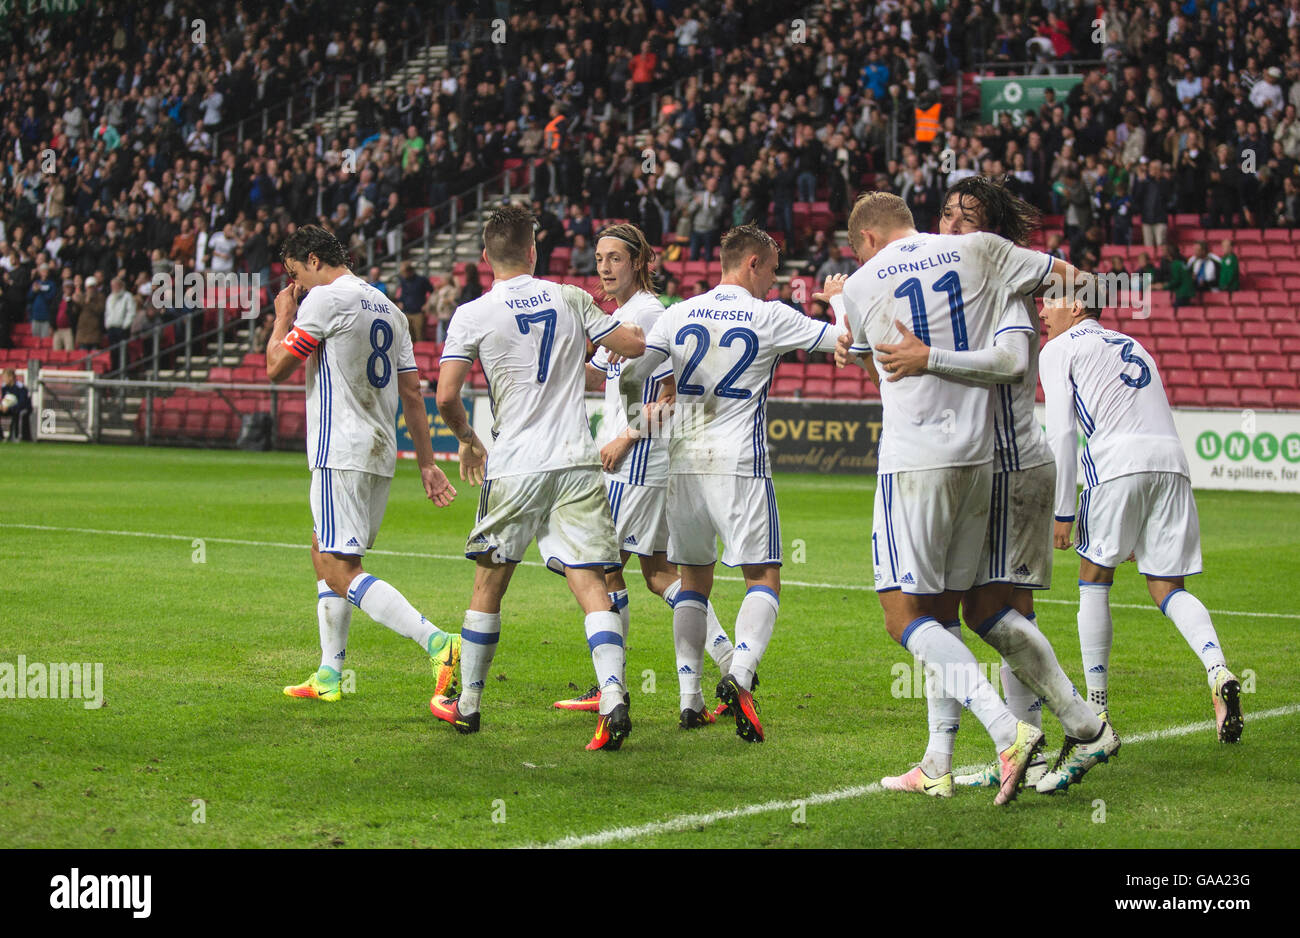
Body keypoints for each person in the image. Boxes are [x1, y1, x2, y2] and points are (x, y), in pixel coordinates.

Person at [851, 178, 1119, 797]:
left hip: (1011, 463)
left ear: (993, 229)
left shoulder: (1001, 283)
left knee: (993, 613)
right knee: (958, 612)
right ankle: (948, 757)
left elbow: (1012, 364)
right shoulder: (962, 278)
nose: (953, 226)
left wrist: (926, 358)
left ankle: (1045, 734)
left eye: (967, 218)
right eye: (946, 214)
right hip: (984, 465)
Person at [431, 205, 647, 750]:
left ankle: (470, 706)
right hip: (576, 461)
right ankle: (615, 695)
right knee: (590, 578)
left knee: (490, 581)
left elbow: (447, 395)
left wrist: (467, 439)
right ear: (534, 250)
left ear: (486, 258)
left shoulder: (473, 313)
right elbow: (633, 345)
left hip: (516, 463)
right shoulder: (571, 297)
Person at [638, 224, 843, 743]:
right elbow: (844, 342)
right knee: (763, 575)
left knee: (692, 582)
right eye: (772, 269)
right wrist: (840, 303)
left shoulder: (678, 312)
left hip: (683, 461)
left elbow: (633, 368)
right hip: (738, 464)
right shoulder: (768, 315)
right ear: (751, 262)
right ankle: (741, 672)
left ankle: (689, 699)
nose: (774, 281)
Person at [265, 225, 462, 708]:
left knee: (339, 568)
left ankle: (438, 642)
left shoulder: (324, 300)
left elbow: (276, 368)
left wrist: (282, 317)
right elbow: (413, 393)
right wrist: (427, 464)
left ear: (313, 260)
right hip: (378, 453)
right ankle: (330, 672)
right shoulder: (391, 309)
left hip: (340, 449)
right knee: (322, 547)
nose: (296, 287)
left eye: (296, 275)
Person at [553, 224, 738, 725]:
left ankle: (610, 687)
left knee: (599, 570)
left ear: (638, 262)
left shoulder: (651, 315)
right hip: (640, 459)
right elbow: (599, 369)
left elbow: (673, 395)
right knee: (659, 575)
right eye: (599, 258)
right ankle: (732, 664)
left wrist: (625, 437)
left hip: (637, 459)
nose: (605, 267)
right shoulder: (621, 318)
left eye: (615, 258)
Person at [1039, 293, 1244, 744]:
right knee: (1167, 587)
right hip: (1171, 463)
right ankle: (1217, 667)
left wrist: (1062, 511)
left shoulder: (1059, 348)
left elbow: (1062, 431)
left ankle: (1097, 711)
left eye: (1049, 301)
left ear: (1076, 307)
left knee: (1093, 578)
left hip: (1116, 464)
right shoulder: (1134, 343)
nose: (1041, 311)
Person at [1, 368, 32, 442]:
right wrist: (2, 407)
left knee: (18, 413)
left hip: (22, 409)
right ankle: (1, 436)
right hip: (10, 408)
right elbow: (4, 399)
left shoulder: (20, 388)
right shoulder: (5, 387)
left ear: (11, 377)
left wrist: (10, 408)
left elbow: (22, 403)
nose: (3, 379)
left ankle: (16, 436)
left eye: (5, 377)